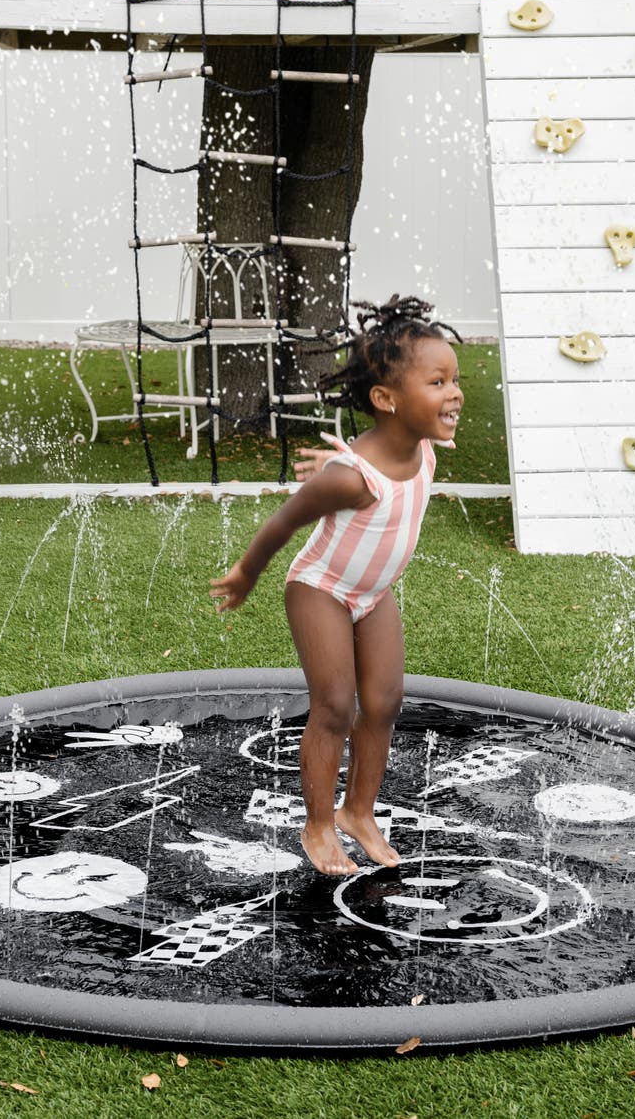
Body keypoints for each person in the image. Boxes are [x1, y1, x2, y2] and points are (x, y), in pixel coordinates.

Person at [210, 295, 463, 876]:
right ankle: (318, 826)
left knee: (383, 702)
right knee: (334, 704)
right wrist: (247, 573)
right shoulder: (353, 480)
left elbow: (404, 437)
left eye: (455, 379)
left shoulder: (426, 445)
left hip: (373, 593)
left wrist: (336, 460)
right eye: (438, 381)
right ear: (386, 399)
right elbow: (284, 522)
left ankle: (359, 813)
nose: (454, 393)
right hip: (321, 588)